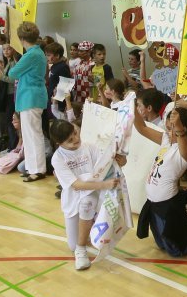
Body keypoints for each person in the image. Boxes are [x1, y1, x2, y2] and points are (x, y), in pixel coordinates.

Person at [135, 106, 187, 256]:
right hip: (154, 204)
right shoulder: (166, 139)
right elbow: (141, 127)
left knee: (177, 249)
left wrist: (178, 128)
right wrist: (132, 108)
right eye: (168, 128)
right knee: (162, 244)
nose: (169, 131)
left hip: (168, 207)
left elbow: (183, 144)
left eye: (173, 128)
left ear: (184, 129)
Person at [49, 119, 122, 270]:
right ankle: (88, 227)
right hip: (74, 197)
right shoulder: (58, 158)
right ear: (59, 144)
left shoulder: (89, 147)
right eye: (70, 140)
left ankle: (81, 250)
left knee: (87, 202)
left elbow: (106, 167)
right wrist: (104, 184)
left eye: (75, 133)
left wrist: (121, 160)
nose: (76, 139)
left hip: (93, 193)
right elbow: (77, 185)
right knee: (71, 245)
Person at [8, 22, 48, 182]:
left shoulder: (31, 55)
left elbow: (12, 73)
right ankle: (32, 167)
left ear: (22, 38)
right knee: (29, 135)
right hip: (31, 97)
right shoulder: (36, 53)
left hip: (30, 97)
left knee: (33, 135)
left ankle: (38, 169)